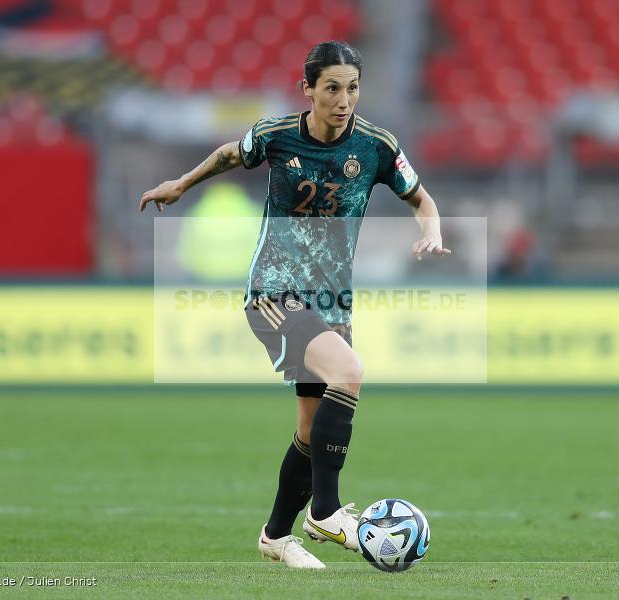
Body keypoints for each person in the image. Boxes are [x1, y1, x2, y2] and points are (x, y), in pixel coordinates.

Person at [140, 41, 450, 569]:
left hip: (333, 302)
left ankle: (276, 536)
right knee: (348, 373)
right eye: (332, 87)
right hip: (273, 291)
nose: (344, 99)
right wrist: (180, 184)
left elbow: (420, 197)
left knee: (311, 430)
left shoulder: (376, 147)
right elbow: (227, 156)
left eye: (352, 87)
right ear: (307, 89)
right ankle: (325, 513)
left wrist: (432, 230)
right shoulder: (276, 135)